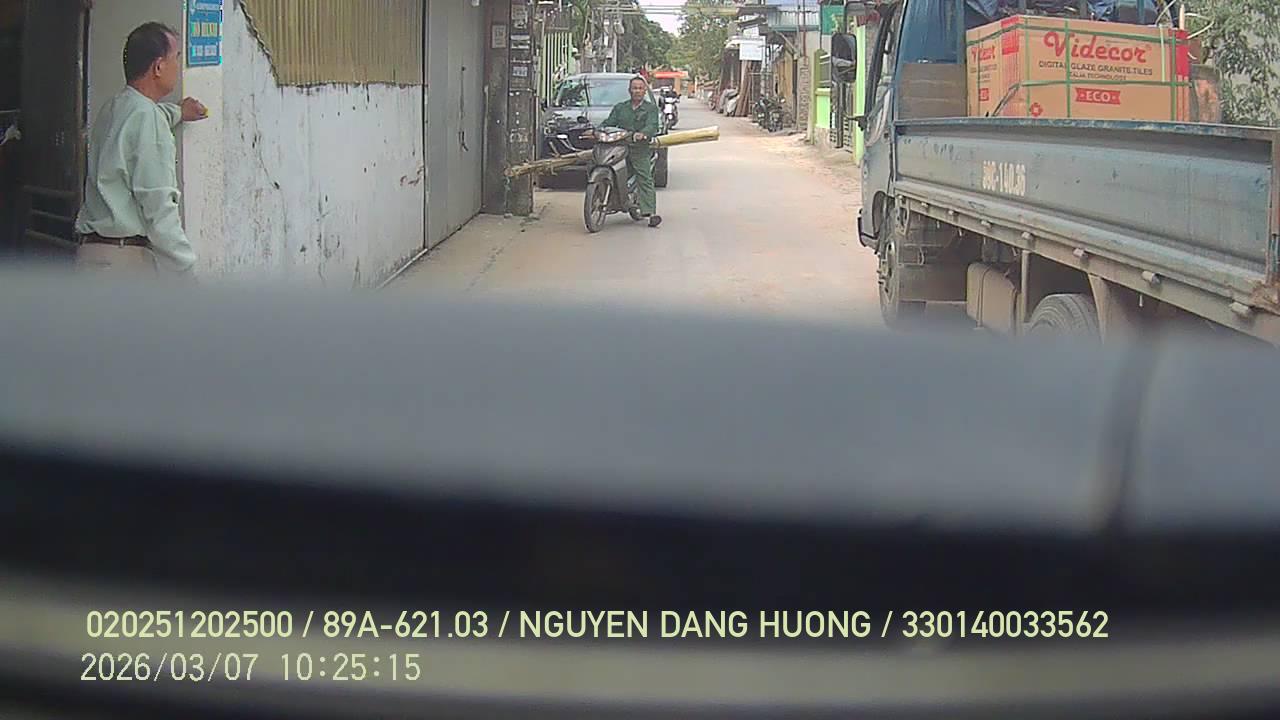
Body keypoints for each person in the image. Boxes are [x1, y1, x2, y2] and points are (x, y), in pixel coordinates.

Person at [75, 22, 208, 275]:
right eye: (176, 57)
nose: (178, 65)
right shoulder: (147, 118)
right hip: (124, 262)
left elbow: (143, 121)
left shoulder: (114, 108)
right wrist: (186, 270)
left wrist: (178, 112)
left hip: (91, 256)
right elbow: (159, 207)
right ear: (158, 67)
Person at [602, 76, 662, 228]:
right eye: (634, 88)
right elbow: (609, 123)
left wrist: (643, 134)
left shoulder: (650, 109)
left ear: (645, 91)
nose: (637, 91)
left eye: (640, 88)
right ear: (629, 90)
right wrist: (596, 131)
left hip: (639, 149)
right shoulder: (620, 108)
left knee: (644, 177)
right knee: (609, 171)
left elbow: (652, 125)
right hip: (619, 147)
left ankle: (650, 212)